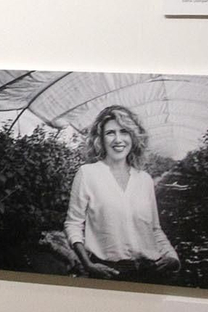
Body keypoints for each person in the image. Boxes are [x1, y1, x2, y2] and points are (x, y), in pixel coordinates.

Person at [64, 104, 181, 282]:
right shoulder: (88, 174)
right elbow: (73, 224)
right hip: (108, 272)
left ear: (133, 137)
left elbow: (154, 229)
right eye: (110, 133)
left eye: (124, 131)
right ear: (100, 139)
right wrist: (88, 264)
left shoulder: (144, 180)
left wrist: (172, 257)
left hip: (149, 271)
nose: (118, 139)